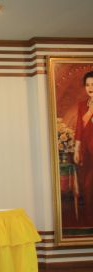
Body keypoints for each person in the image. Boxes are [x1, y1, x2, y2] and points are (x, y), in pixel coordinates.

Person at [73, 70, 93, 226]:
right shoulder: (82, 105)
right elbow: (79, 128)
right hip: (87, 151)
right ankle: (90, 220)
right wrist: (76, 150)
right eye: (87, 85)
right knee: (87, 186)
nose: (90, 88)